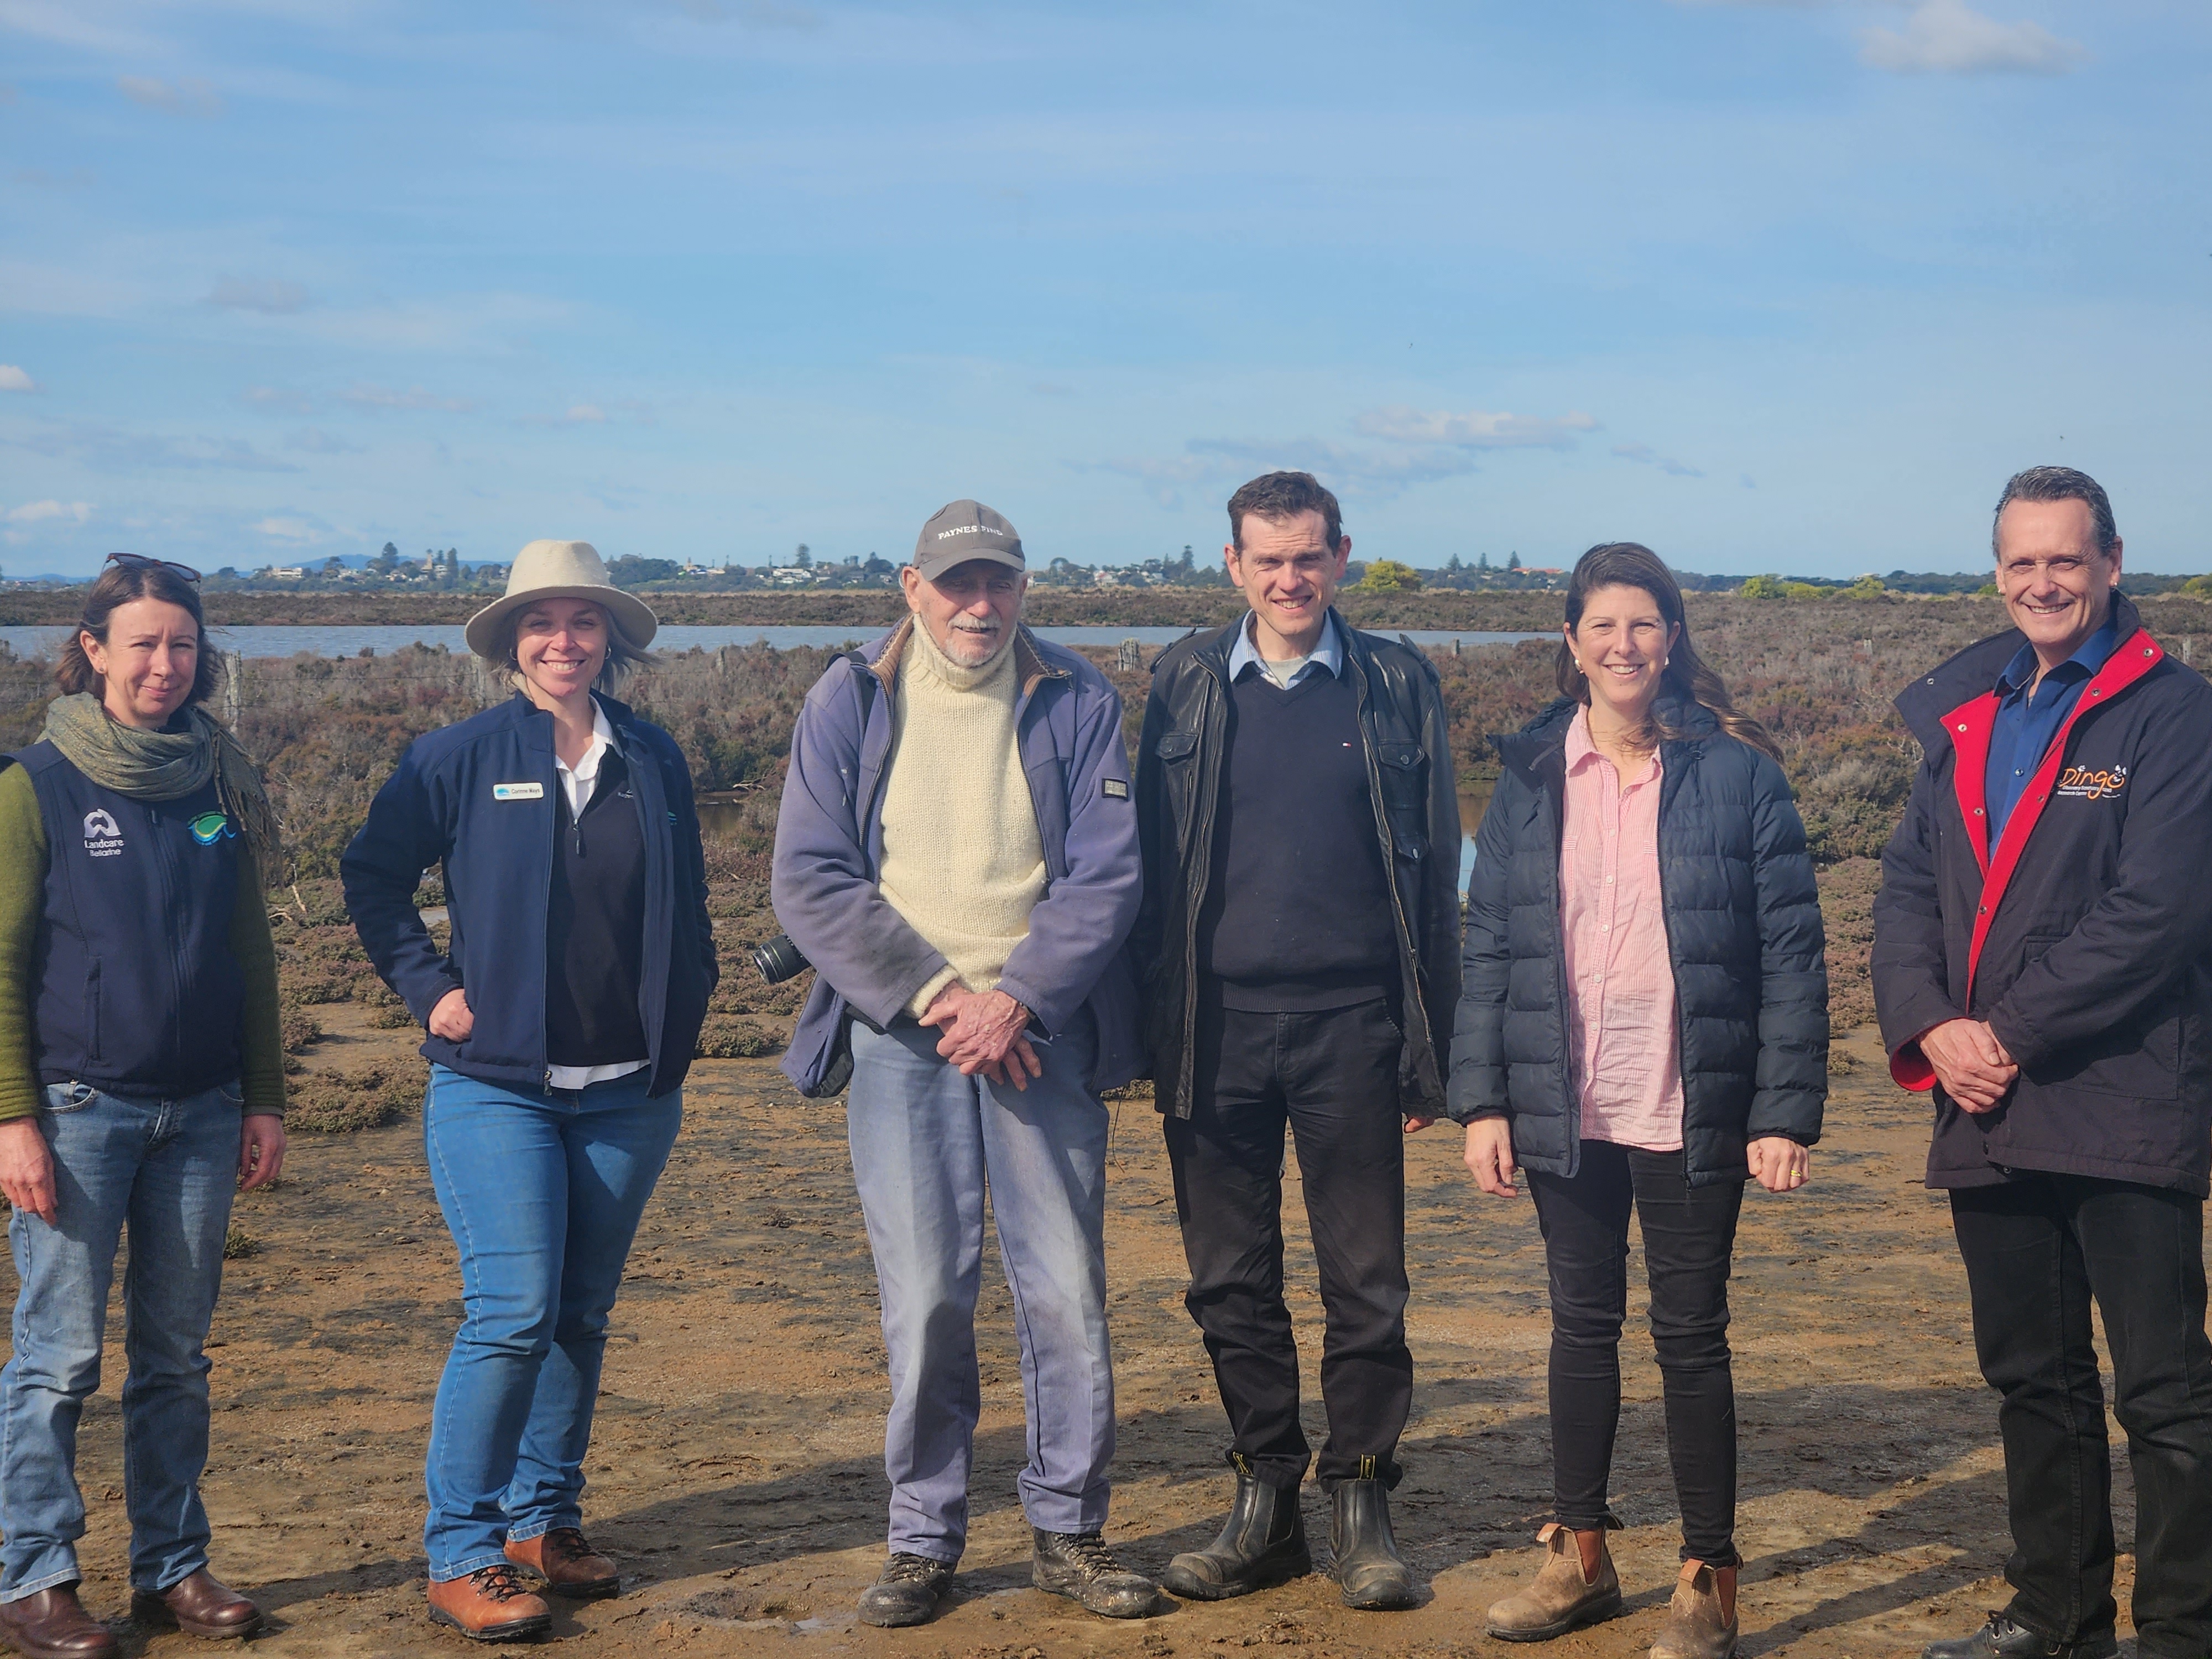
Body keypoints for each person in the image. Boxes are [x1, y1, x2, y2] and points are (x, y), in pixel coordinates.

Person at [772, 500, 1156, 1627]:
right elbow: (810, 879)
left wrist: (1018, 1000)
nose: (979, 606)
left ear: (1024, 589)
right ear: (912, 588)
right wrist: (943, 997)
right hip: (903, 1038)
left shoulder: (1079, 698)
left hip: (1040, 1038)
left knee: (1067, 1297)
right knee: (927, 1299)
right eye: (957, 585)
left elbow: (1106, 877)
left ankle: (1068, 1533)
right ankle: (923, 1538)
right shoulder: (847, 697)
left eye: (999, 584)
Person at [1453, 542, 1827, 1659]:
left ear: (1672, 638)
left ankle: (1705, 1575)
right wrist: (1482, 1100)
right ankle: (1577, 1557)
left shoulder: (1736, 775)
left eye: (1644, 626)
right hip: (1563, 1103)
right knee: (1578, 1328)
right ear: (1570, 642)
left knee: (1690, 1336)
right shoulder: (1526, 776)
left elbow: (1792, 956)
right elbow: (1488, 948)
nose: (1623, 647)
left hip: (1688, 1102)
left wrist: (1779, 1112)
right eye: (1602, 627)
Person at [342, 540, 717, 1642]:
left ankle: (539, 1521)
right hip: (497, 1089)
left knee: (579, 1317)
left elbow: (684, 903)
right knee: (510, 1314)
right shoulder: (455, 756)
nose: (563, 641)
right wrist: (429, 988)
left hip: (626, 1094)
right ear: (511, 639)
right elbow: (372, 876)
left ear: (609, 639)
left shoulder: (652, 756)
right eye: (542, 623)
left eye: (583, 622)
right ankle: (460, 1547)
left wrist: (680, 1020)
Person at [1872, 467, 2212, 1659]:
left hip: (2123, 1100)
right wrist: (1930, 1027)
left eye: (2063, 560)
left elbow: (2156, 913)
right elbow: (1909, 887)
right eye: (2019, 562)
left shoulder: (2172, 714)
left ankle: (2177, 1633)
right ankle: (2053, 1617)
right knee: (2033, 1381)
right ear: (1996, 570)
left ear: (2111, 563)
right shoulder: (1967, 710)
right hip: (1982, 1107)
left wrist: (2003, 1032)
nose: (2041, 582)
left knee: (2164, 1396)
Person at [1133, 471, 1462, 1612]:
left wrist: (1436, 1046)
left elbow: (1432, 867)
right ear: (1231, 565)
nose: (1289, 578)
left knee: (1366, 1284)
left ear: (1342, 556)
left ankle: (1361, 1502)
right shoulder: (1180, 682)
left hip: (1353, 1031)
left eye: (1308, 556)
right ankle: (1264, 1502)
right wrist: (1144, 1031)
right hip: (1211, 1031)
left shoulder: (1393, 681)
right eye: (1267, 559)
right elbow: (1142, 867)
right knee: (1228, 1284)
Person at [0, 554, 285, 1658]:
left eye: (182, 644)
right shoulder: (36, 784)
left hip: (204, 1114)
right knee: (57, 1358)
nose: (164, 664)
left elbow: (250, 952)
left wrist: (263, 1096)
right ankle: (35, 1581)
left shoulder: (215, 781)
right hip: (77, 1113)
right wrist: (13, 1116)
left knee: (175, 1357)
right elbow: (4, 954)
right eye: (143, 643)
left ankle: (170, 1569)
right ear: (92, 649)